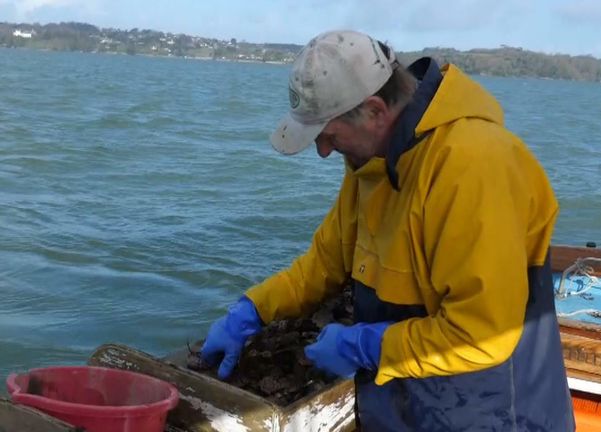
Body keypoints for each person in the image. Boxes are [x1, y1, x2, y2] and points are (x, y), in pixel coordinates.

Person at [201, 29, 575, 431]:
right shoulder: (371, 163)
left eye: (328, 135)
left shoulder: (475, 165)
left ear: (376, 110)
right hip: (403, 407)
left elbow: (481, 333)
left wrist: (367, 345)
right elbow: (323, 264)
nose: (323, 151)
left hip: (495, 414)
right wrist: (251, 310)